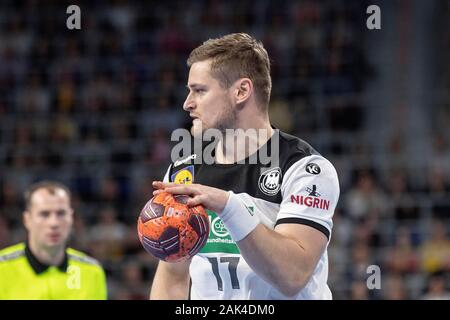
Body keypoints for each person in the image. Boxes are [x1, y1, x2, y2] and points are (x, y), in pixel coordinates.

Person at [149, 33, 340, 300]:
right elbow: (172, 278)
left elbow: (292, 276)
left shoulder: (306, 169)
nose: (187, 103)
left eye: (199, 90)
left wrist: (229, 206)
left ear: (241, 91)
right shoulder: (185, 170)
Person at [0, 181, 107, 299]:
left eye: (61, 213)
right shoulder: (2, 268)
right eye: (44, 214)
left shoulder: (92, 271)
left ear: (71, 217)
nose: (54, 223)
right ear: (27, 219)